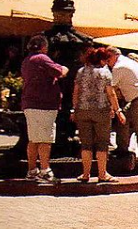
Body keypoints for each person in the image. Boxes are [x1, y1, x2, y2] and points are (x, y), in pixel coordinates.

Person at [21, 35, 68, 183]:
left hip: (30, 103)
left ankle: (31, 170)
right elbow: (60, 72)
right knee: (45, 139)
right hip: (44, 104)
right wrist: (65, 68)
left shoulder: (26, 60)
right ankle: (45, 170)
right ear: (43, 46)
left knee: (33, 139)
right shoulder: (42, 58)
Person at [72, 46, 122, 183]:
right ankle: (102, 174)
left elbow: (76, 92)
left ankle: (86, 174)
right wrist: (118, 111)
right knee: (102, 144)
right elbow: (111, 93)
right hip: (101, 111)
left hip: (83, 110)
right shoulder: (105, 73)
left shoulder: (81, 72)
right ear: (101, 60)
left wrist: (73, 109)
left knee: (86, 144)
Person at [106, 47, 138, 172]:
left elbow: (110, 88)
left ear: (114, 56)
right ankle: (122, 149)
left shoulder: (119, 67)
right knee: (123, 120)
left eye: (108, 58)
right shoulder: (128, 62)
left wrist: (113, 107)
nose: (107, 62)